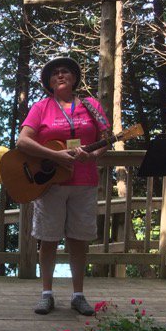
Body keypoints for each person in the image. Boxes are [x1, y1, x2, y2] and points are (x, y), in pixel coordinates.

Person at [16, 56, 109, 316]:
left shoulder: (92, 106)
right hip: (51, 184)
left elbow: (106, 141)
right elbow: (22, 142)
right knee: (48, 239)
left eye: (65, 71)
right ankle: (47, 294)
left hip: (84, 182)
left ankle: (78, 295)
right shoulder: (41, 107)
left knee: (79, 240)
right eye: (55, 72)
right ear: (48, 81)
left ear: (74, 77)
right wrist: (55, 156)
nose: (60, 75)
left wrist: (93, 155)